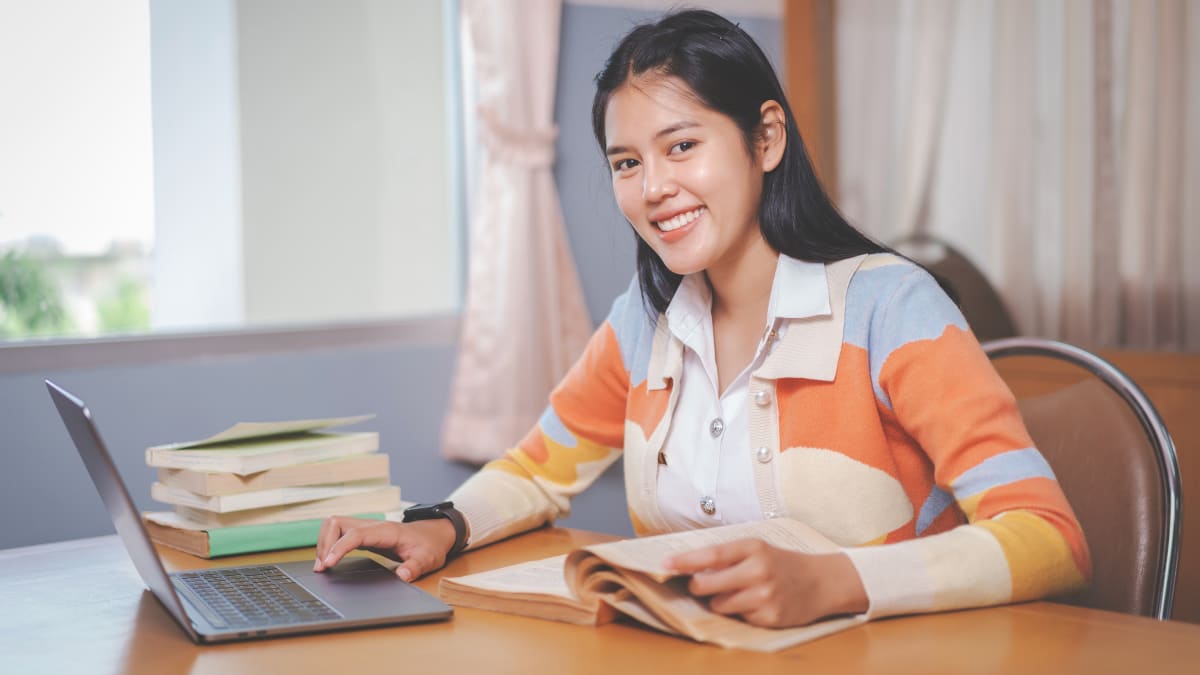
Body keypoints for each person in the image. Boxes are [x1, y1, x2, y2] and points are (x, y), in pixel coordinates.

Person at [314, 9, 1090, 629]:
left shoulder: (891, 304)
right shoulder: (644, 319)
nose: (653, 188)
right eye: (627, 162)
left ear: (766, 139)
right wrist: (441, 524)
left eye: (681, 145)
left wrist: (838, 580)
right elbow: (536, 469)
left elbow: (1050, 535)